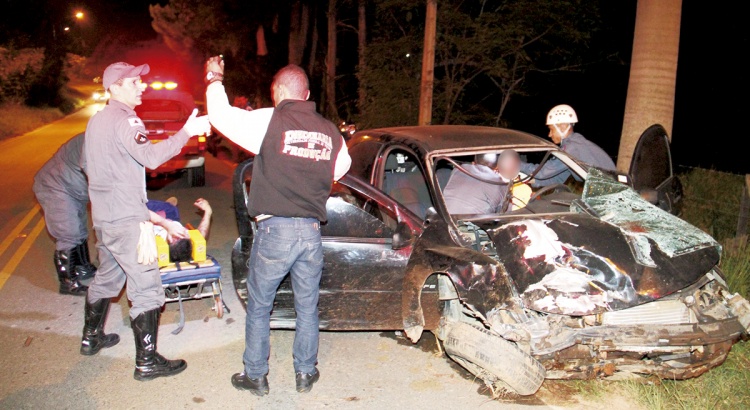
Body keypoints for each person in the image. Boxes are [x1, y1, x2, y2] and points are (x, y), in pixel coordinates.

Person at [204, 57, 351, 395]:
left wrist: (214, 78)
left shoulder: (269, 121)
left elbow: (221, 116)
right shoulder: (331, 132)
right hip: (311, 234)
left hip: (275, 233)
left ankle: (256, 376)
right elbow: (340, 169)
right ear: (308, 93)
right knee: (307, 307)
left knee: (259, 306)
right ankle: (305, 373)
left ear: (278, 93)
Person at [80, 61, 211, 382]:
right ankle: (147, 361)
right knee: (148, 288)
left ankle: (90, 337)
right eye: (134, 81)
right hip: (127, 222)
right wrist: (187, 132)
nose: (142, 86)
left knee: (108, 278)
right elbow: (151, 158)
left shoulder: (96, 121)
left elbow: (86, 164)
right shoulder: (126, 120)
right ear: (115, 87)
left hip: (105, 218)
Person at [32, 132, 97, 296]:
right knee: (69, 232)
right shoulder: (93, 140)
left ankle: (82, 268)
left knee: (81, 229)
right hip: (55, 186)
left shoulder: (108, 138)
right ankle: (67, 282)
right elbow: (93, 170)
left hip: (74, 189)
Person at [521, 104, 616, 187]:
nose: (549, 134)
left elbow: (542, 172)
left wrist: (516, 164)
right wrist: (527, 180)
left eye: (551, 129)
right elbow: (558, 179)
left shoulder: (572, 148)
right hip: (606, 192)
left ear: (562, 127)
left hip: (610, 195)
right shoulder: (575, 146)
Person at [147, 197, 213, 262]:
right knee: (173, 210)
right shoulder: (184, 241)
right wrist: (207, 212)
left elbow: (141, 211)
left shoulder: (153, 242)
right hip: (170, 218)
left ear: (170, 239)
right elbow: (202, 235)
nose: (186, 233)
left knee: (148, 205)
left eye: (180, 234)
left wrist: (167, 225)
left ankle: (167, 204)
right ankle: (169, 204)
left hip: (150, 216)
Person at [443, 153, 509, 214]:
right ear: (497, 167)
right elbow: (502, 214)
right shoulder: (500, 184)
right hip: (470, 225)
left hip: (444, 219)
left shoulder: (459, 169)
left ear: (473, 162)